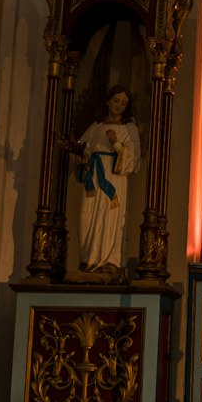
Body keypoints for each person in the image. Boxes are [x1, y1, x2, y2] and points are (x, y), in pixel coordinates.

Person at [62, 86, 141, 278]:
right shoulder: (95, 127)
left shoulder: (129, 129)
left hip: (114, 179)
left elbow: (133, 158)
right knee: (87, 216)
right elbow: (83, 150)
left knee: (110, 218)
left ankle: (110, 262)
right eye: (116, 101)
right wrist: (81, 159)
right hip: (94, 178)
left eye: (123, 103)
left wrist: (115, 144)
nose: (119, 106)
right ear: (107, 101)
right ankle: (88, 260)